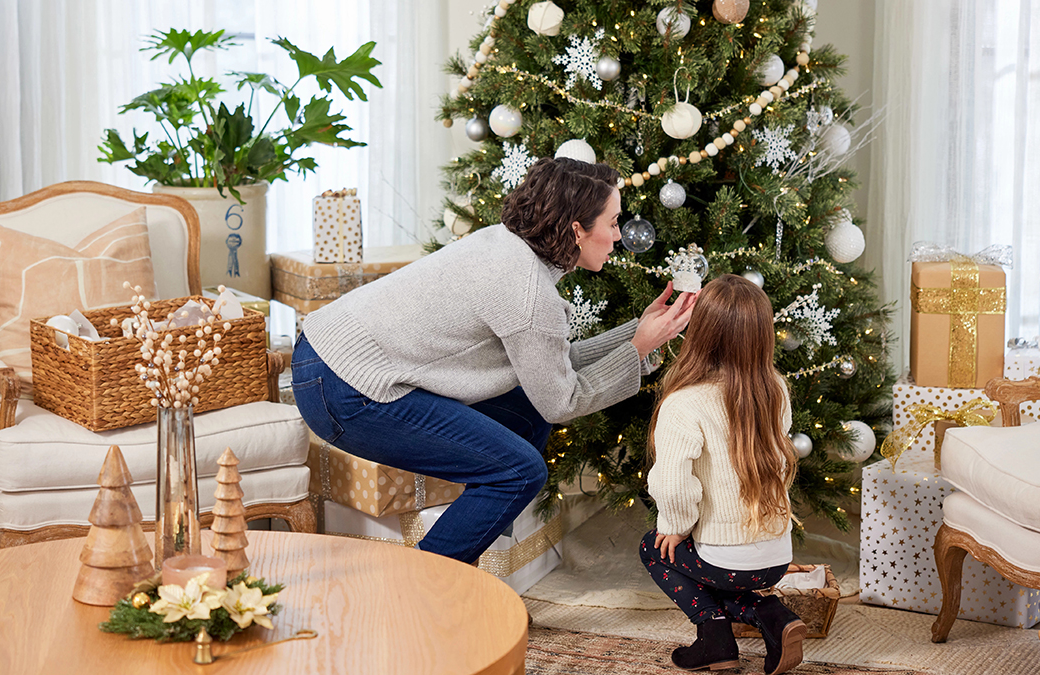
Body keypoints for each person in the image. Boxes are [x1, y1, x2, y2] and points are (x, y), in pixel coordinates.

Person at [292, 157, 696, 566]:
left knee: (528, 419)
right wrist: (639, 349)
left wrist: (636, 333)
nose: (617, 237)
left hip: (329, 358)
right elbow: (563, 402)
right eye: (612, 223)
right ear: (577, 230)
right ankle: (421, 593)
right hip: (343, 387)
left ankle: (466, 553)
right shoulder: (527, 292)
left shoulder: (507, 245)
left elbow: (549, 369)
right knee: (520, 471)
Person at [641, 274, 805, 675]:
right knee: (714, 565)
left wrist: (675, 527)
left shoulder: (685, 402)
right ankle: (769, 616)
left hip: (726, 558)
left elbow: (673, 483)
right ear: (762, 335)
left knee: (654, 548)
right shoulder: (776, 389)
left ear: (701, 333)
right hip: (777, 555)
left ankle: (720, 633)